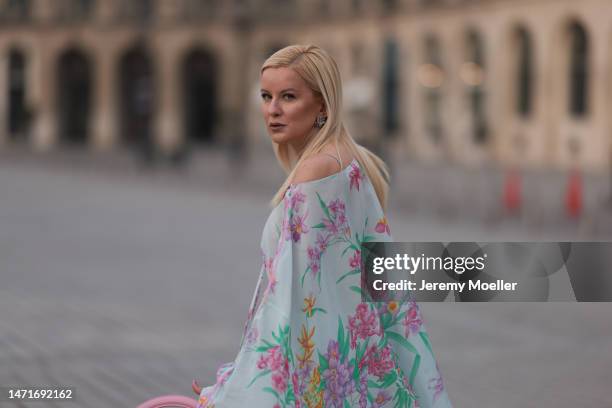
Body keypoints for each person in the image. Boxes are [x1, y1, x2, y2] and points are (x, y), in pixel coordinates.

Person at [197, 45, 453, 408]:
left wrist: (234, 391)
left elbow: (292, 303)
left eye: (288, 97)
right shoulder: (345, 159)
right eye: (266, 96)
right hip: (355, 365)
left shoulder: (316, 171)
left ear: (322, 105)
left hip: (328, 372)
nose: (273, 109)